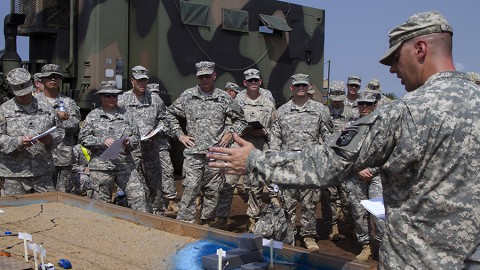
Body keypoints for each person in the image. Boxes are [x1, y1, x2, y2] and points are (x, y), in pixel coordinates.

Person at [207, 11, 480, 269]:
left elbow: (329, 163)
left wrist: (255, 160)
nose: (393, 69)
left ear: (420, 49)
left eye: (396, 58)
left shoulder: (404, 113)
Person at [166, 61, 246, 224]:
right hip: (194, 153)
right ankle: (185, 224)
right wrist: (180, 135)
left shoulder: (223, 98)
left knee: (213, 191)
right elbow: (170, 114)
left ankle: (206, 223)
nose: (204, 79)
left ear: (214, 76)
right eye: (201, 76)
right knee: (190, 189)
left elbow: (241, 120)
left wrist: (230, 134)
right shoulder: (188, 96)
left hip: (215, 153)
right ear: (197, 77)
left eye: (207, 76)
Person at [269, 73, 331, 250]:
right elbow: (275, 140)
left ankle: (308, 236)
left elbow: (328, 139)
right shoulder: (281, 112)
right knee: (286, 204)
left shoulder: (321, 110)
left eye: (304, 85)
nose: (301, 88)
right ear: (292, 88)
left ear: (309, 86)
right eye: (297, 86)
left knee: (309, 204)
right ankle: (288, 235)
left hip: (310, 166)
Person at [79, 80, 148, 212]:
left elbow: (136, 137)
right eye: (107, 95)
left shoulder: (127, 115)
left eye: (114, 95)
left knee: (139, 198)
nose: (111, 98)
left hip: (125, 166)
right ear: (101, 97)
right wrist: (102, 141)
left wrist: (129, 142)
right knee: (100, 207)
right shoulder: (92, 116)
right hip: (101, 167)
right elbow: (83, 138)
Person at [0, 68, 63, 195]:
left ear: (31, 86)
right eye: (20, 94)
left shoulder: (46, 107)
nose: (23, 96)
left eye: (26, 93)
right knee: (15, 212)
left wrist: (50, 139)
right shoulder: (4, 110)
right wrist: (18, 142)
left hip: (42, 172)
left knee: (48, 210)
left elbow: (60, 131)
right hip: (15, 174)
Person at [118, 66, 169, 215]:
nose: (142, 84)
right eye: (139, 81)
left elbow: (165, 120)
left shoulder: (155, 99)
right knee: (133, 183)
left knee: (155, 184)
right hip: (131, 150)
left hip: (151, 148)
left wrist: (157, 130)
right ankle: (136, 213)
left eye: (144, 80)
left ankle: (158, 214)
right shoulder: (122, 100)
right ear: (132, 81)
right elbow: (117, 121)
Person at [234, 68, 277, 232]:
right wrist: (243, 130)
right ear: (245, 83)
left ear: (260, 82)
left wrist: (264, 131)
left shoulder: (268, 103)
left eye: (256, 80)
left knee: (256, 186)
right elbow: (230, 123)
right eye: (250, 81)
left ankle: (253, 218)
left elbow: (276, 127)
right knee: (227, 183)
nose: (253, 83)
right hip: (240, 147)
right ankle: (220, 217)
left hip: (260, 148)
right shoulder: (237, 101)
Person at [344, 90, 384, 262]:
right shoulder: (350, 126)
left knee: (380, 214)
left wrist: (372, 170)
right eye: (361, 103)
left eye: (369, 104)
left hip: (377, 175)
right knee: (359, 213)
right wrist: (359, 169)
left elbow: (388, 151)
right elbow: (345, 152)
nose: (365, 107)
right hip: (355, 175)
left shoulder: (384, 125)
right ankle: (365, 245)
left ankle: (384, 248)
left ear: (375, 105)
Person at [35, 64, 81, 193]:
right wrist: (56, 116)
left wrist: (56, 122)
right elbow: (32, 126)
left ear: (60, 80)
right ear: (42, 80)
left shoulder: (68, 102)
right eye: (49, 77)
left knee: (62, 195)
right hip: (39, 158)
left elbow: (74, 124)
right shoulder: (34, 102)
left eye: (56, 77)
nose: (53, 80)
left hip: (62, 157)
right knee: (42, 196)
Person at [322, 81, 356, 241]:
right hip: (328, 160)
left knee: (347, 197)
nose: (336, 101)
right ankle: (332, 226)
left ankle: (350, 226)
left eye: (339, 98)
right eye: (334, 98)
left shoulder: (351, 113)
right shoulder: (324, 112)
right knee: (328, 197)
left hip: (345, 161)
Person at [146, 83, 179, 213]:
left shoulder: (165, 109)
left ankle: (171, 200)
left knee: (167, 171)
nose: (155, 95)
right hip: (146, 147)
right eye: (152, 92)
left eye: (157, 92)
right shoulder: (143, 109)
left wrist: (163, 130)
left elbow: (173, 130)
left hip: (162, 146)